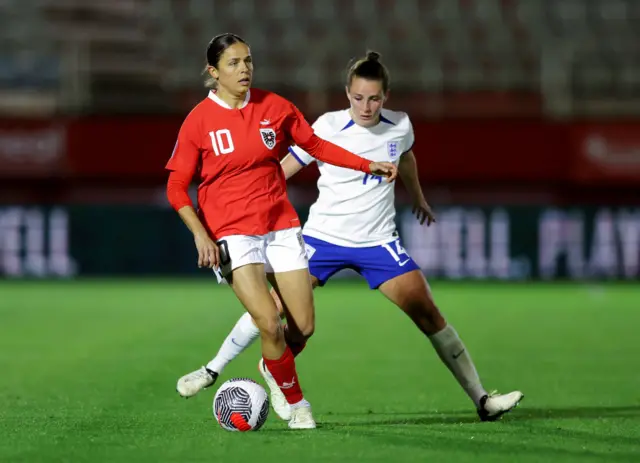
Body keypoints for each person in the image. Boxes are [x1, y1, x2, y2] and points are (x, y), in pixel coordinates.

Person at [177, 49, 523, 423]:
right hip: (322, 237)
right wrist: (251, 196)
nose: (366, 106)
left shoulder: (401, 125)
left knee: (428, 313)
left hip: (378, 242)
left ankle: (482, 400)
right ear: (347, 93)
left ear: (385, 96)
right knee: (274, 310)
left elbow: (405, 157)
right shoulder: (327, 126)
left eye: (374, 98)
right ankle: (214, 368)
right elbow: (287, 164)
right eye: (358, 97)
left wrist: (418, 198)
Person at [167, 35, 398, 431]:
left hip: (280, 225)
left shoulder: (274, 108)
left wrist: (366, 164)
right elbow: (176, 186)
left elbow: (316, 146)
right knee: (269, 321)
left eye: (248, 61)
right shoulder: (198, 121)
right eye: (234, 63)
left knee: (302, 327)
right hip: (232, 232)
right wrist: (200, 234)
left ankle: (272, 368)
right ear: (213, 72)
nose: (244, 69)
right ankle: (298, 404)